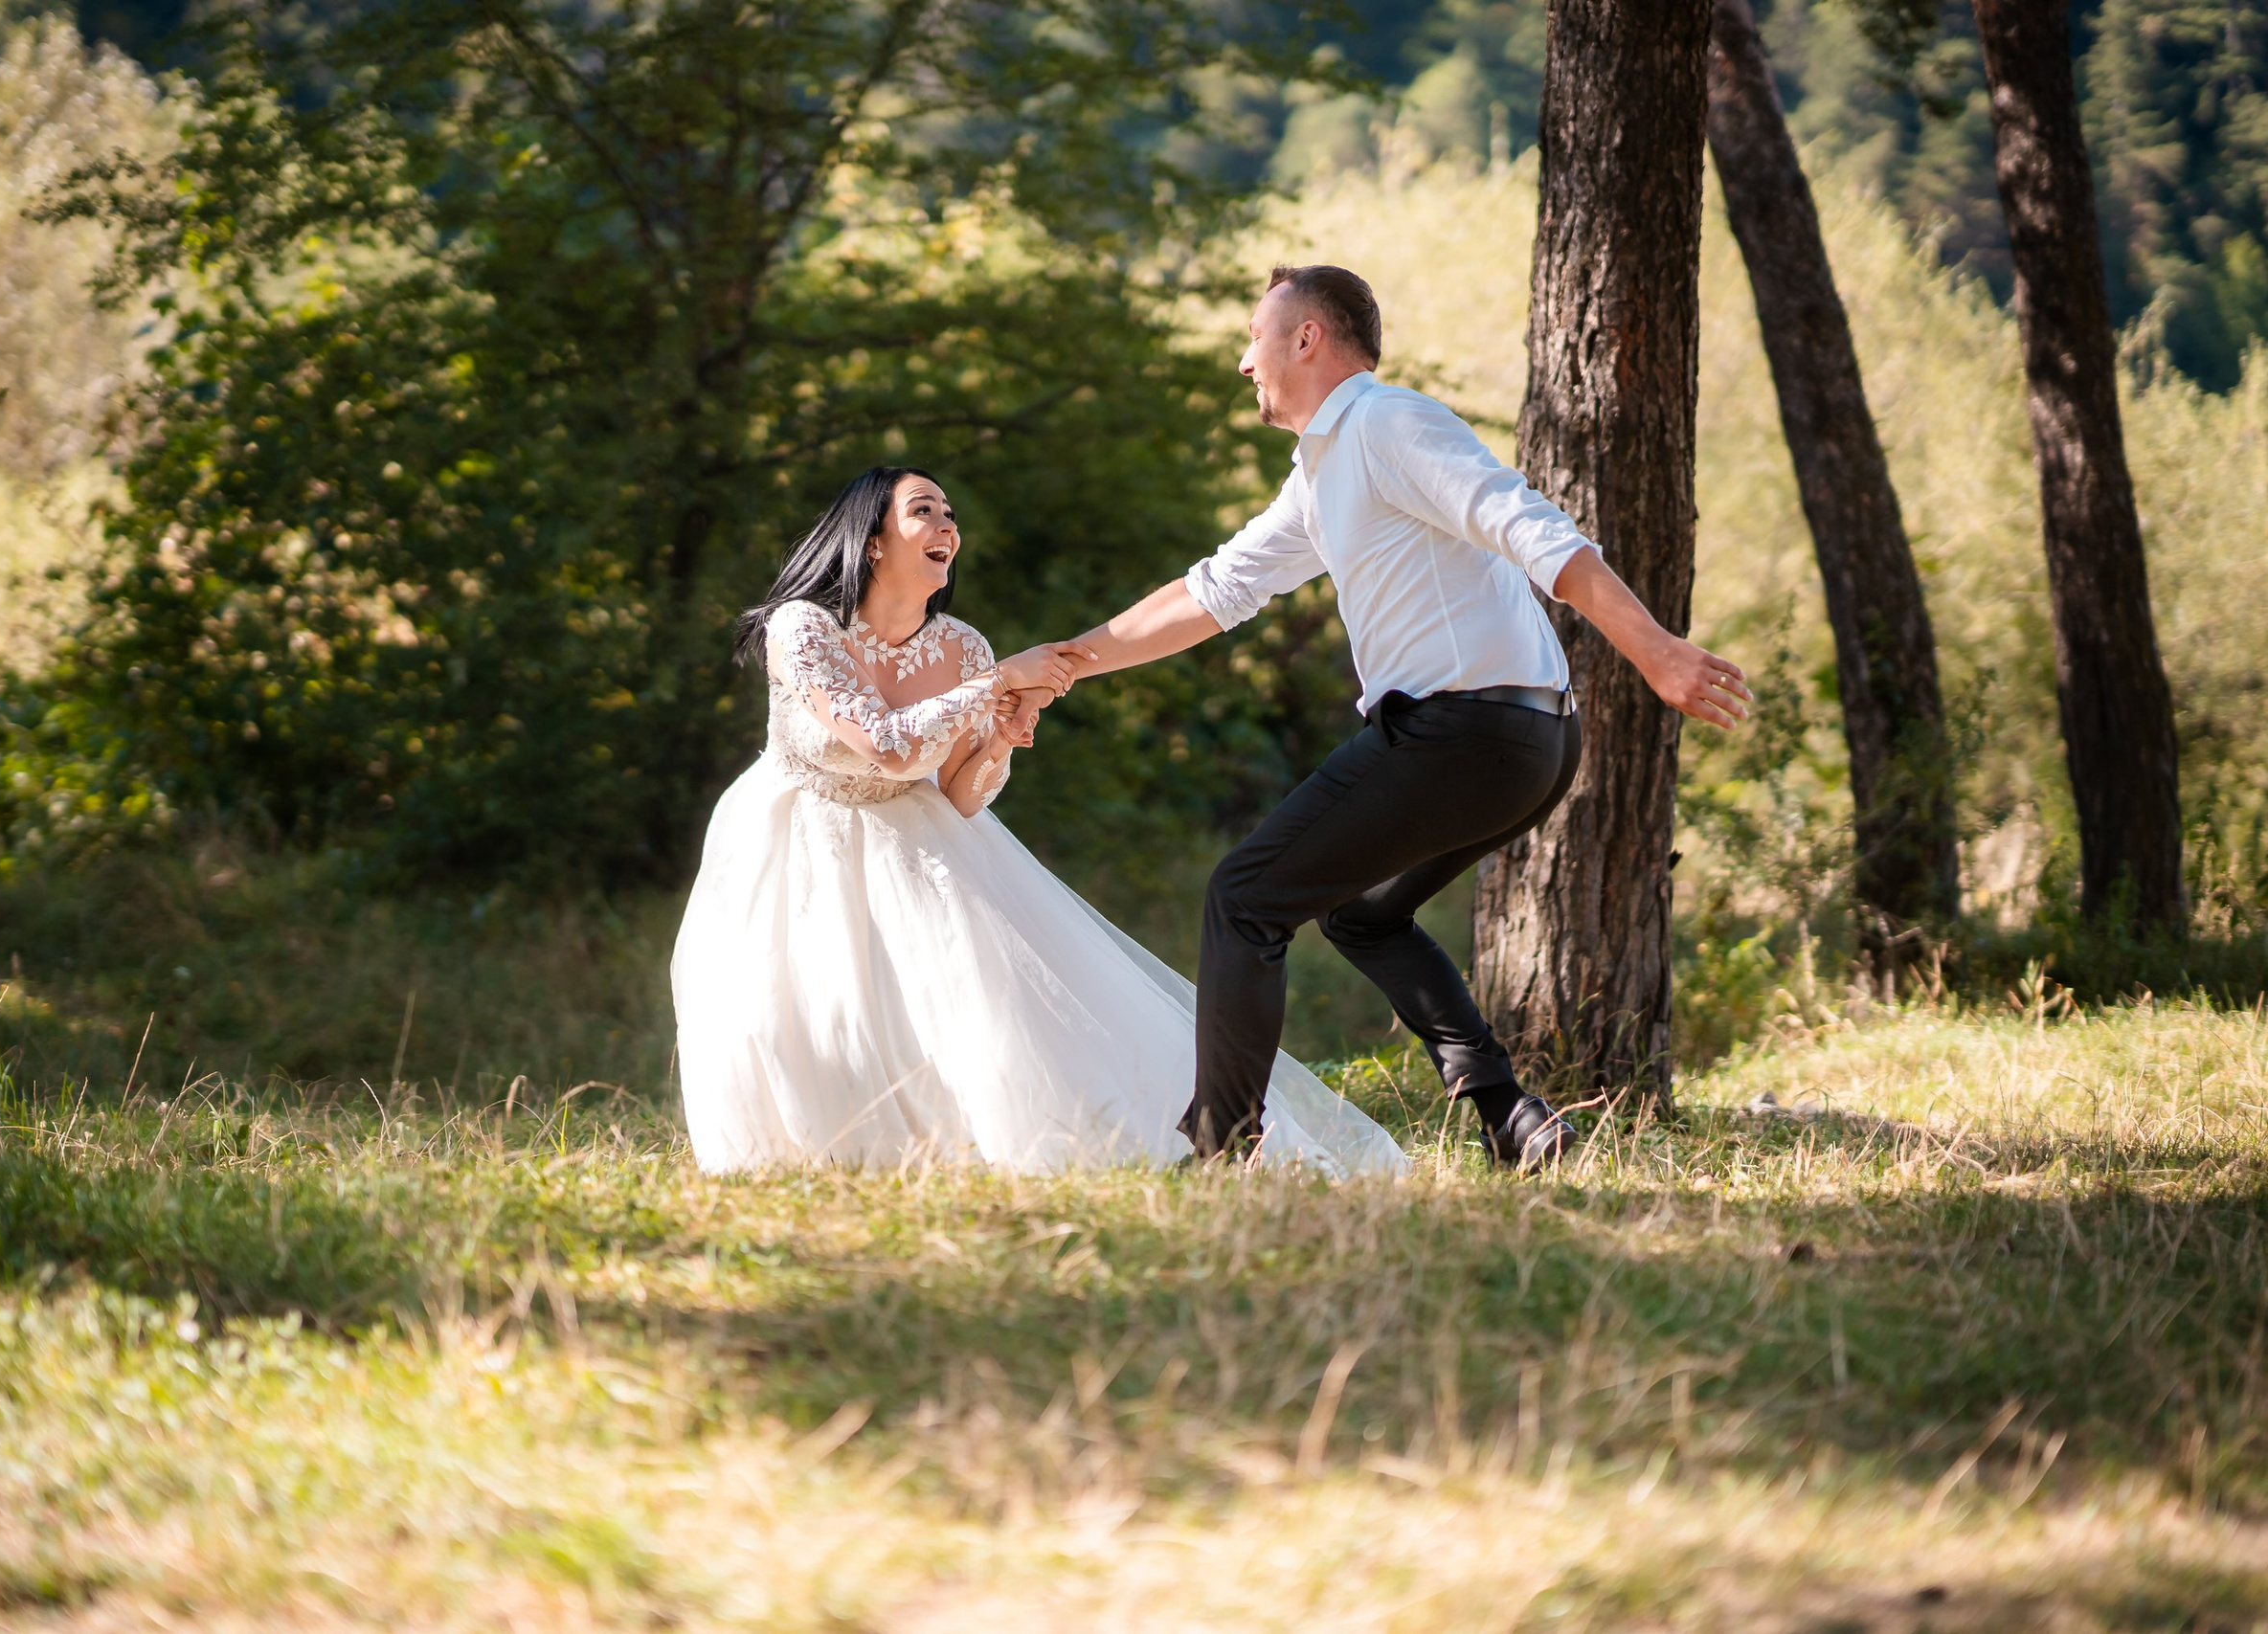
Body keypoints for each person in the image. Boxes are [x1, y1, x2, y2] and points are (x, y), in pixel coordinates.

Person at [1056, 265, 1752, 1170]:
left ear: (1307, 339)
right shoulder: (1323, 472)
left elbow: (1528, 524)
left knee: (1244, 898)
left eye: (1255, 336)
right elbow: (1217, 588)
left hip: (1464, 732)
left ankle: (1223, 1149)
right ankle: (1512, 1115)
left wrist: (1655, 647)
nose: (1242, 360)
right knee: (1361, 913)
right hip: (1528, 741)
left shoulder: (1388, 423)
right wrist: (1066, 661)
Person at [671, 465, 1407, 1176]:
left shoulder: (962, 647)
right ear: (871, 540)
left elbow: (961, 793)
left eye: (951, 514)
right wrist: (999, 683)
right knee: (784, 1011)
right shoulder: (803, 628)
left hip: (917, 835)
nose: (946, 525)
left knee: (969, 1020)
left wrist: (998, 735)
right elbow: (887, 744)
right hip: (790, 837)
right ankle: (805, 1156)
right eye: (924, 509)